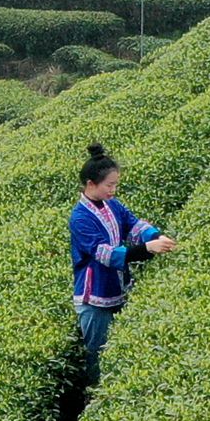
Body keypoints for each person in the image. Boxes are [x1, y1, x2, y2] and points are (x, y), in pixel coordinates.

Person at [70, 141, 175, 375]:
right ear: (91, 184)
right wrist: (147, 249)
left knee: (117, 349)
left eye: (116, 184)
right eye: (109, 185)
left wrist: (157, 236)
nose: (113, 190)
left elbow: (134, 224)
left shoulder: (112, 205)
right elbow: (104, 254)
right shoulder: (80, 218)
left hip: (117, 287)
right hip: (94, 296)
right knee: (97, 353)